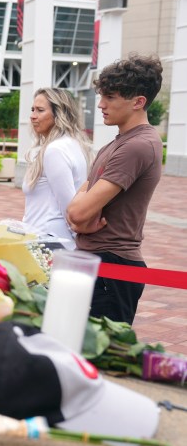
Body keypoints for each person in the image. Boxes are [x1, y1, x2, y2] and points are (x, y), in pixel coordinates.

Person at [66, 54, 164, 324]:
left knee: (103, 359)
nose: (101, 105)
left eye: (110, 97)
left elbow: (79, 210)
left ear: (138, 102)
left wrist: (78, 217)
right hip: (95, 260)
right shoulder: (116, 144)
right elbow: (75, 211)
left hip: (114, 266)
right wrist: (78, 218)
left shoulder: (137, 146)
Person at [21, 88, 91, 245]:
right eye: (32, 109)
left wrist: (78, 243)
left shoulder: (55, 150)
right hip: (49, 238)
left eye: (40, 110)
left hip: (48, 239)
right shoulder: (72, 144)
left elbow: (69, 206)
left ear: (58, 114)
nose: (33, 116)